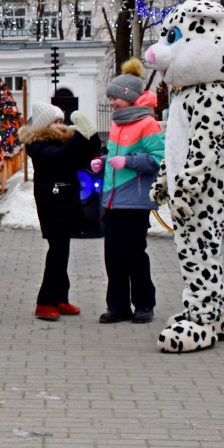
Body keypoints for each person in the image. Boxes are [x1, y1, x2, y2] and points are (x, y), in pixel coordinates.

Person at [91, 59, 165, 325]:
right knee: (113, 257)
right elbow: (112, 155)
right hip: (112, 202)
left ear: (129, 98)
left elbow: (158, 159)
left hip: (134, 202)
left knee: (135, 255)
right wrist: (101, 162)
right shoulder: (116, 124)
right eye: (109, 98)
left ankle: (144, 304)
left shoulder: (148, 123)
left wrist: (129, 162)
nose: (111, 103)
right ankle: (118, 306)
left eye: (114, 99)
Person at [19, 103, 101, 321]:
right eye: (55, 122)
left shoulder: (63, 139)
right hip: (51, 203)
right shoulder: (37, 143)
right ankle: (44, 302)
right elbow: (59, 157)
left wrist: (90, 135)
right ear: (45, 125)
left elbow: (87, 152)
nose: (60, 125)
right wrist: (77, 138)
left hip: (67, 200)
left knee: (62, 251)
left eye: (60, 120)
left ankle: (60, 298)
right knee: (57, 251)